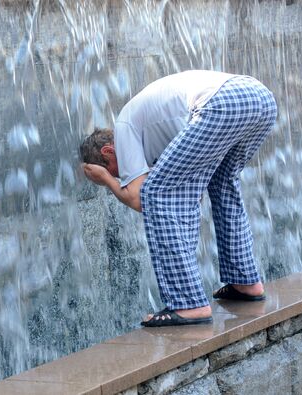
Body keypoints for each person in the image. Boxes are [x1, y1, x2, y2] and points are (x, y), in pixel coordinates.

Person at [80, 70, 277, 327]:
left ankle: (188, 303)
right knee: (222, 184)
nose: (122, 176)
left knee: (154, 194)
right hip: (259, 98)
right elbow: (188, 195)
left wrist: (108, 181)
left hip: (222, 104)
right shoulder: (156, 133)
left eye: (114, 169)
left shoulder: (124, 126)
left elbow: (141, 200)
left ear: (108, 151)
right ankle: (246, 282)